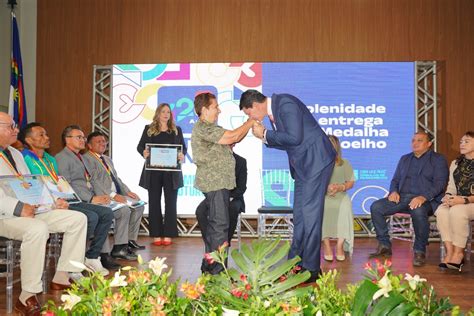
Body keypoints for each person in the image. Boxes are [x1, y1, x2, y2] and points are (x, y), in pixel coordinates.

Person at [239, 90, 336, 282]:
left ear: (255, 106)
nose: (251, 118)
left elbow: (294, 138)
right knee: (300, 216)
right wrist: (266, 137)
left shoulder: (284, 104)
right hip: (304, 167)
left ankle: (311, 269)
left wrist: (265, 133)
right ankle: (295, 264)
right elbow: (289, 141)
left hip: (316, 162)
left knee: (310, 216)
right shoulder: (276, 110)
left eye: (249, 114)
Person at [0, 113, 87, 315]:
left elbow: (32, 184)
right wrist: (17, 207)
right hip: (5, 215)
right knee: (37, 228)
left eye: (15, 126)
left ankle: (62, 276)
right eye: (10, 126)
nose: (16, 130)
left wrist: (52, 203)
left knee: (77, 219)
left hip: (30, 210)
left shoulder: (16, 153)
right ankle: (27, 295)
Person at [19, 122, 113, 276]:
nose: (47, 137)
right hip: (43, 205)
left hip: (62, 200)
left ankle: (92, 256)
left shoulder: (50, 159)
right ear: (29, 140)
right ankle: (76, 259)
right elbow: (29, 186)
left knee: (106, 213)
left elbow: (60, 183)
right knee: (90, 216)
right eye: (41, 135)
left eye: (46, 134)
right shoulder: (25, 159)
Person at [56, 125, 137, 271]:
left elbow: (92, 180)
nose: (82, 140)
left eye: (83, 137)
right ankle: (95, 255)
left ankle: (94, 256)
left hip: (92, 196)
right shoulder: (62, 158)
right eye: (78, 137)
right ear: (67, 140)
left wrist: (101, 196)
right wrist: (91, 199)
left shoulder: (80, 157)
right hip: (76, 201)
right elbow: (65, 186)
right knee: (99, 214)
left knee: (109, 212)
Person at [192, 92, 255, 274]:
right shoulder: (204, 127)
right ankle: (218, 272)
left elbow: (235, 137)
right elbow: (232, 137)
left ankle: (209, 266)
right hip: (215, 183)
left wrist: (247, 126)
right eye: (215, 107)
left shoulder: (210, 128)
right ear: (204, 110)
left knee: (215, 227)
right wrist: (250, 121)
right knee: (220, 227)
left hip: (219, 184)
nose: (219, 110)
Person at [370, 131, 449, 266]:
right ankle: (384, 245)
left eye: (419, 140)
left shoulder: (438, 159)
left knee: (417, 210)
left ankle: (419, 250)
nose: (415, 143)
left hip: (427, 200)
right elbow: (395, 180)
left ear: (429, 144)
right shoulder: (405, 159)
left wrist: (423, 197)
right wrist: (393, 191)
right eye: (413, 140)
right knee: (376, 207)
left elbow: (440, 184)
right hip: (403, 198)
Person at [84, 131, 145, 250]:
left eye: (104, 141)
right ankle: (119, 247)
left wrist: (128, 192)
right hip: (103, 197)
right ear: (89, 145)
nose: (102, 143)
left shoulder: (107, 159)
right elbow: (95, 182)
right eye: (98, 142)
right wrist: (113, 196)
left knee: (138, 205)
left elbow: (116, 179)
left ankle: (130, 240)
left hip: (116, 194)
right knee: (124, 210)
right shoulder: (87, 159)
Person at [137, 103, 187, 246]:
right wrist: (144, 152)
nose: (166, 114)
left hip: (171, 173)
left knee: (171, 203)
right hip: (153, 172)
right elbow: (140, 146)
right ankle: (156, 234)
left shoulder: (177, 130)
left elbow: (183, 148)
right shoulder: (149, 129)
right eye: (163, 111)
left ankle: (169, 234)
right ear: (158, 113)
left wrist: (181, 155)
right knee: (154, 202)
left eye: (168, 112)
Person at [195, 143, 247, 256]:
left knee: (231, 209)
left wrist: (227, 198)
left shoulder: (241, 161)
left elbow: (242, 187)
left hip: (234, 198)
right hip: (215, 196)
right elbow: (205, 184)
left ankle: (223, 244)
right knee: (200, 211)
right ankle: (210, 242)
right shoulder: (212, 161)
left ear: (233, 145)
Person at [435, 131, 474, 272]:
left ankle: (459, 254)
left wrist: (463, 200)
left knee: (458, 211)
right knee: (442, 210)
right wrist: (448, 197)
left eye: (467, 141)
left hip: (469, 202)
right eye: (461, 141)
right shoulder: (456, 163)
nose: (462, 144)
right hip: (459, 201)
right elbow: (451, 187)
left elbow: (463, 201)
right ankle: (450, 252)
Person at [321, 135, 355, 262]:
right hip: (324, 195)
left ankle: (339, 245)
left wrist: (340, 187)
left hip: (341, 195)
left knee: (346, 206)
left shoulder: (344, 163)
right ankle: (327, 246)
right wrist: (327, 188)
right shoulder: (318, 163)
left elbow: (351, 183)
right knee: (322, 206)